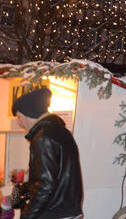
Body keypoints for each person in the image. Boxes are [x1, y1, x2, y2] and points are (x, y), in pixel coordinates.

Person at [12, 87, 83, 218]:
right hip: (68, 210)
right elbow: (58, 174)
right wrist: (30, 181)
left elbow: (45, 186)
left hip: (53, 213)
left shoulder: (43, 137)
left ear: (29, 113)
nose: (18, 122)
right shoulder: (61, 131)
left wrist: (27, 216)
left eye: (19, 117)